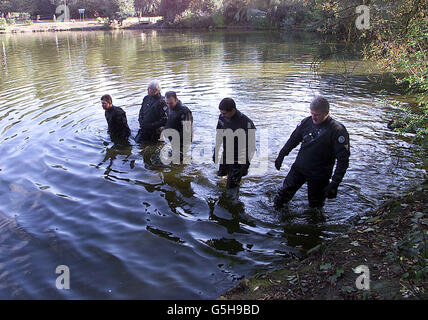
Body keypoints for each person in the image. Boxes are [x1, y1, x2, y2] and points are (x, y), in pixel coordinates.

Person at [274, 96, 350, 210]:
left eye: (317, 115)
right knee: (281, 197)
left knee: (315, 207)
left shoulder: (337, 130)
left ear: (326, 113)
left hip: (319, 174)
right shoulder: (306, 122)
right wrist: (281, 155)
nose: (314, 117)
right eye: (312, 113)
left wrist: (335, 183)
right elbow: (293, 140)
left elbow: (343, 159)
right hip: (299, 168)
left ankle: (315, 226)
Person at [214, 98, 256, 189]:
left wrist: (246, 165)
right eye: (221, 113)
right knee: (220, 177)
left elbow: (252, 147)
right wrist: (216, 150)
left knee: (231, 187)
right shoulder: (222, 117)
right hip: (226, 154)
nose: (222, 115)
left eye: (224, 113)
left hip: (239, 160)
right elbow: (219, 134)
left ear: (233, 110)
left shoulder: (247, 123)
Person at [163, 91, 193, 161]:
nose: (169, 105)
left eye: (171, 103)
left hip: (182, 142)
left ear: (176, 100)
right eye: (167, 103)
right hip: (173, 140)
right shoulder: (169, 109)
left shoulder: (185, 112)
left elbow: (187, 132)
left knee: (179, 162)